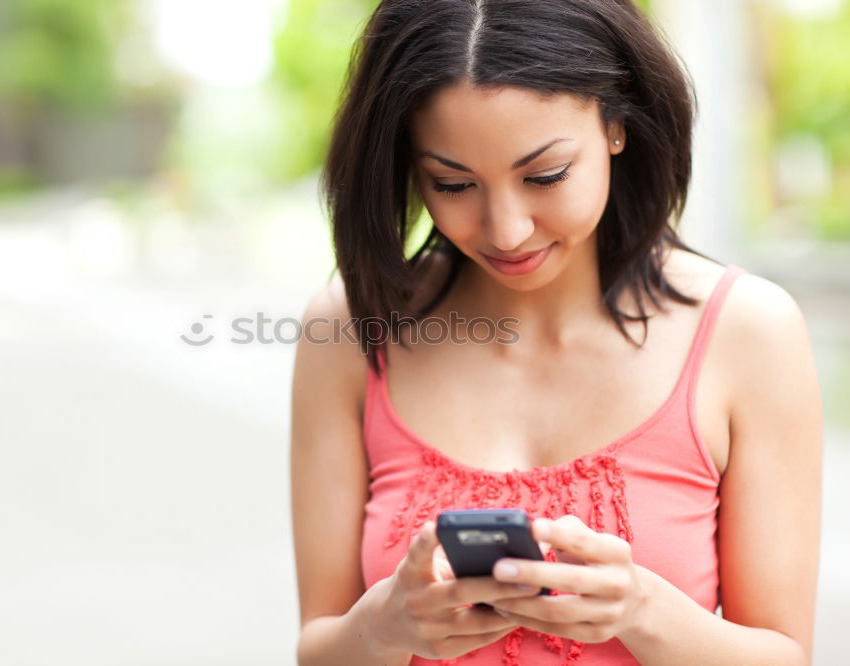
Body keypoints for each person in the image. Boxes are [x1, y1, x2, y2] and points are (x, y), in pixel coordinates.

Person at [289, 1, 822, 664]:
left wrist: (641, 610)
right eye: (452, 184)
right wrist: (381, 629)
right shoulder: (347, 330)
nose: (507, 230)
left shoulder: (747, 333)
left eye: (545, 176)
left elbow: (785, 655)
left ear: (617, 124)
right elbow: (318, 648)